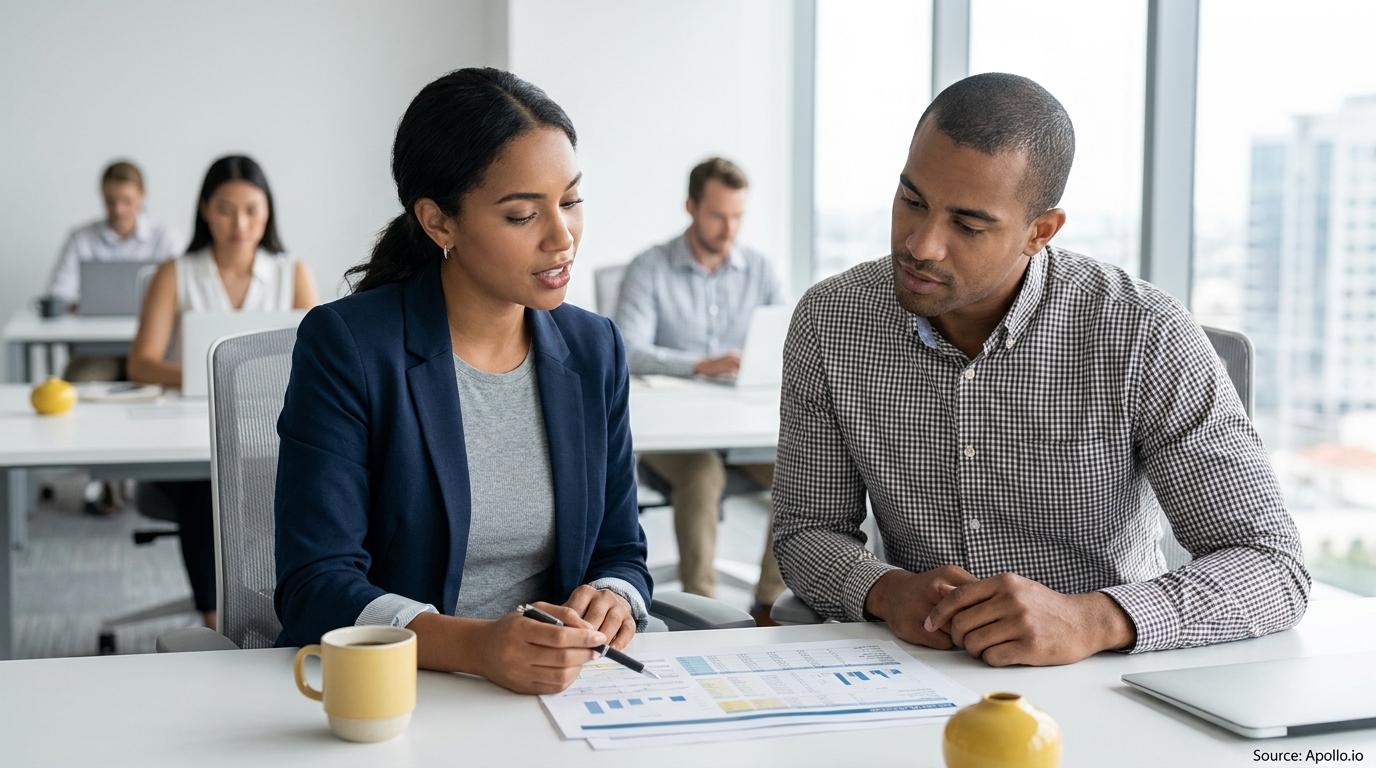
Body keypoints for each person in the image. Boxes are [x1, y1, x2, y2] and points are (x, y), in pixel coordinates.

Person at [773, 73, 1309, 666]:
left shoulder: (1140, 332)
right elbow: (805, 531)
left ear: (1039, 232)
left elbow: (1273, 566)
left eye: (968, 225)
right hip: (921, 673)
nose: (922, 244)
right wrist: (885, 589)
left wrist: (1094, 619)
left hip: (1102, 677)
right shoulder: (832, 321)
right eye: (912, 201)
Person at [274, 68, 652, 696]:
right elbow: (316, 584)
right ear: (439, 222)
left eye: (572, 201)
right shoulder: (349, 345)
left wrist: (613, 596)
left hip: (558, 692)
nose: (562, 237)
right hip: (401, 691)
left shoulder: (593, 349)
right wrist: (478, 647)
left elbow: (620, 549)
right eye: (524, 215)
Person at [128, 155, 320, 629]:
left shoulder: (291, 271)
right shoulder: (176, 272)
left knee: (296, 477)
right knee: (208, 477)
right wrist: (210, 376)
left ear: (268, 212)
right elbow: (142, 363)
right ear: (204, 211)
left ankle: (280, 607)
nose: (240, 224)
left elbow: (318, 360)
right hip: (192, 431)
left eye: (252, 210)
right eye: (225, 210)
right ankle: (216, 619)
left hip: (273, 426)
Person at [614, 158, 788, 624]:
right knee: (703, 471)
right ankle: (702, 606)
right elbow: (625, 350)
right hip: (674, 435)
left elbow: (781, 346)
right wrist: (698, 365)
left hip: (738, 423)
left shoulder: (761, 271)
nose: (728, 228)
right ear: (691, 207)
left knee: (797, 468)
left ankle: (770, 601)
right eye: (717, 215)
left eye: (737, 216)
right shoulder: (650, 267)